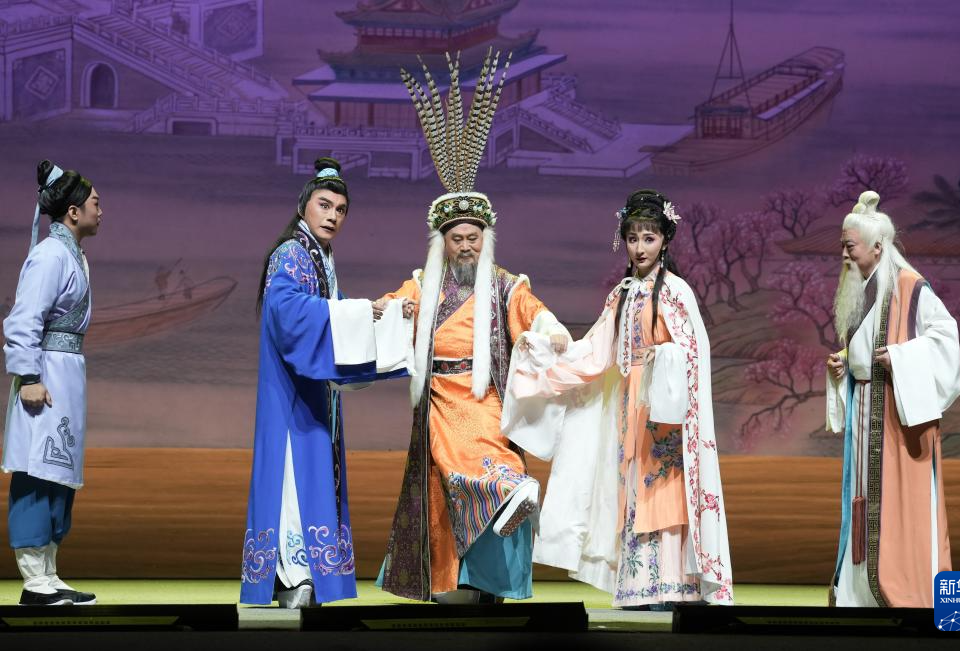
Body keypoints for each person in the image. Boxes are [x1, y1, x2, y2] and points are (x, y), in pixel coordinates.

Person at [374, 50, 570, 604]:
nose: (465, 246)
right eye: (456, 238)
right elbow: (395, 304)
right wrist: (381, 309)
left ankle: (497, 559)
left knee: (492, 467)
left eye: (473, 238)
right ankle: (452, 583)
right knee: (446, 486)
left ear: (486, 240)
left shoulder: (504, 284)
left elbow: (535, 312)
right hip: (439, 396)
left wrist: (554, 331)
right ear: (443, 243)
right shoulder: (425, 283)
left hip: (484, 397)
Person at [502, 190, 734, 609]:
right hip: (630, 407)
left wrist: (665, 361)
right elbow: (595, 354)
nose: (640, 247)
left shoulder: (676, 292)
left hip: (666, 410)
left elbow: (693, 354)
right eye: (632, 238)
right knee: (632, 490)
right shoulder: (621, 295)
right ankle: (640, 587)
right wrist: (543, 363)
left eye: (649, 238)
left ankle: (675, 585)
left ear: (665, 240)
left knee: (665, 492)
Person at [240, 158, 414, 608]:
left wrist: (380, 314)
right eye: (324, 205)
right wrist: (357, 311)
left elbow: (335, 313)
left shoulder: (320, 257)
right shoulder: (290, 254)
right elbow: (288, 312)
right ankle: (293, 575)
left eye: (340, 209)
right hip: (292, 393)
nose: (333, 215)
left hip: (315, 393)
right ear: (304, 206)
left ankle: (306, 576)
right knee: (292, 481)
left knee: (312, 478)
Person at [826, 190, 960, 608]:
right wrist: (845, 363)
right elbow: (865, 348)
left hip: (897, 415)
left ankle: (907, 591)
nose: (844, 255)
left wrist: (901, 358)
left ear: (877, 248)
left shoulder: (909, 285)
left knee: (901, 505)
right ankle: (859, 594)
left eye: (850, 247)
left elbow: (945, 338)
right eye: (843, 246)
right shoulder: (863, 289)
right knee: (862, 498)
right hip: (867, 408)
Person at [3, 160, 103, 606]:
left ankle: (49, 573)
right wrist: (28, 376)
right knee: (35, 470)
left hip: (66, 371)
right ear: (73, 212)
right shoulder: (50, 255)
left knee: (58, 471)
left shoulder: (72, 254)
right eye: (96, 203)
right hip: (44, 372)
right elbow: (23, 318)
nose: (101, 210)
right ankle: (33, 580)